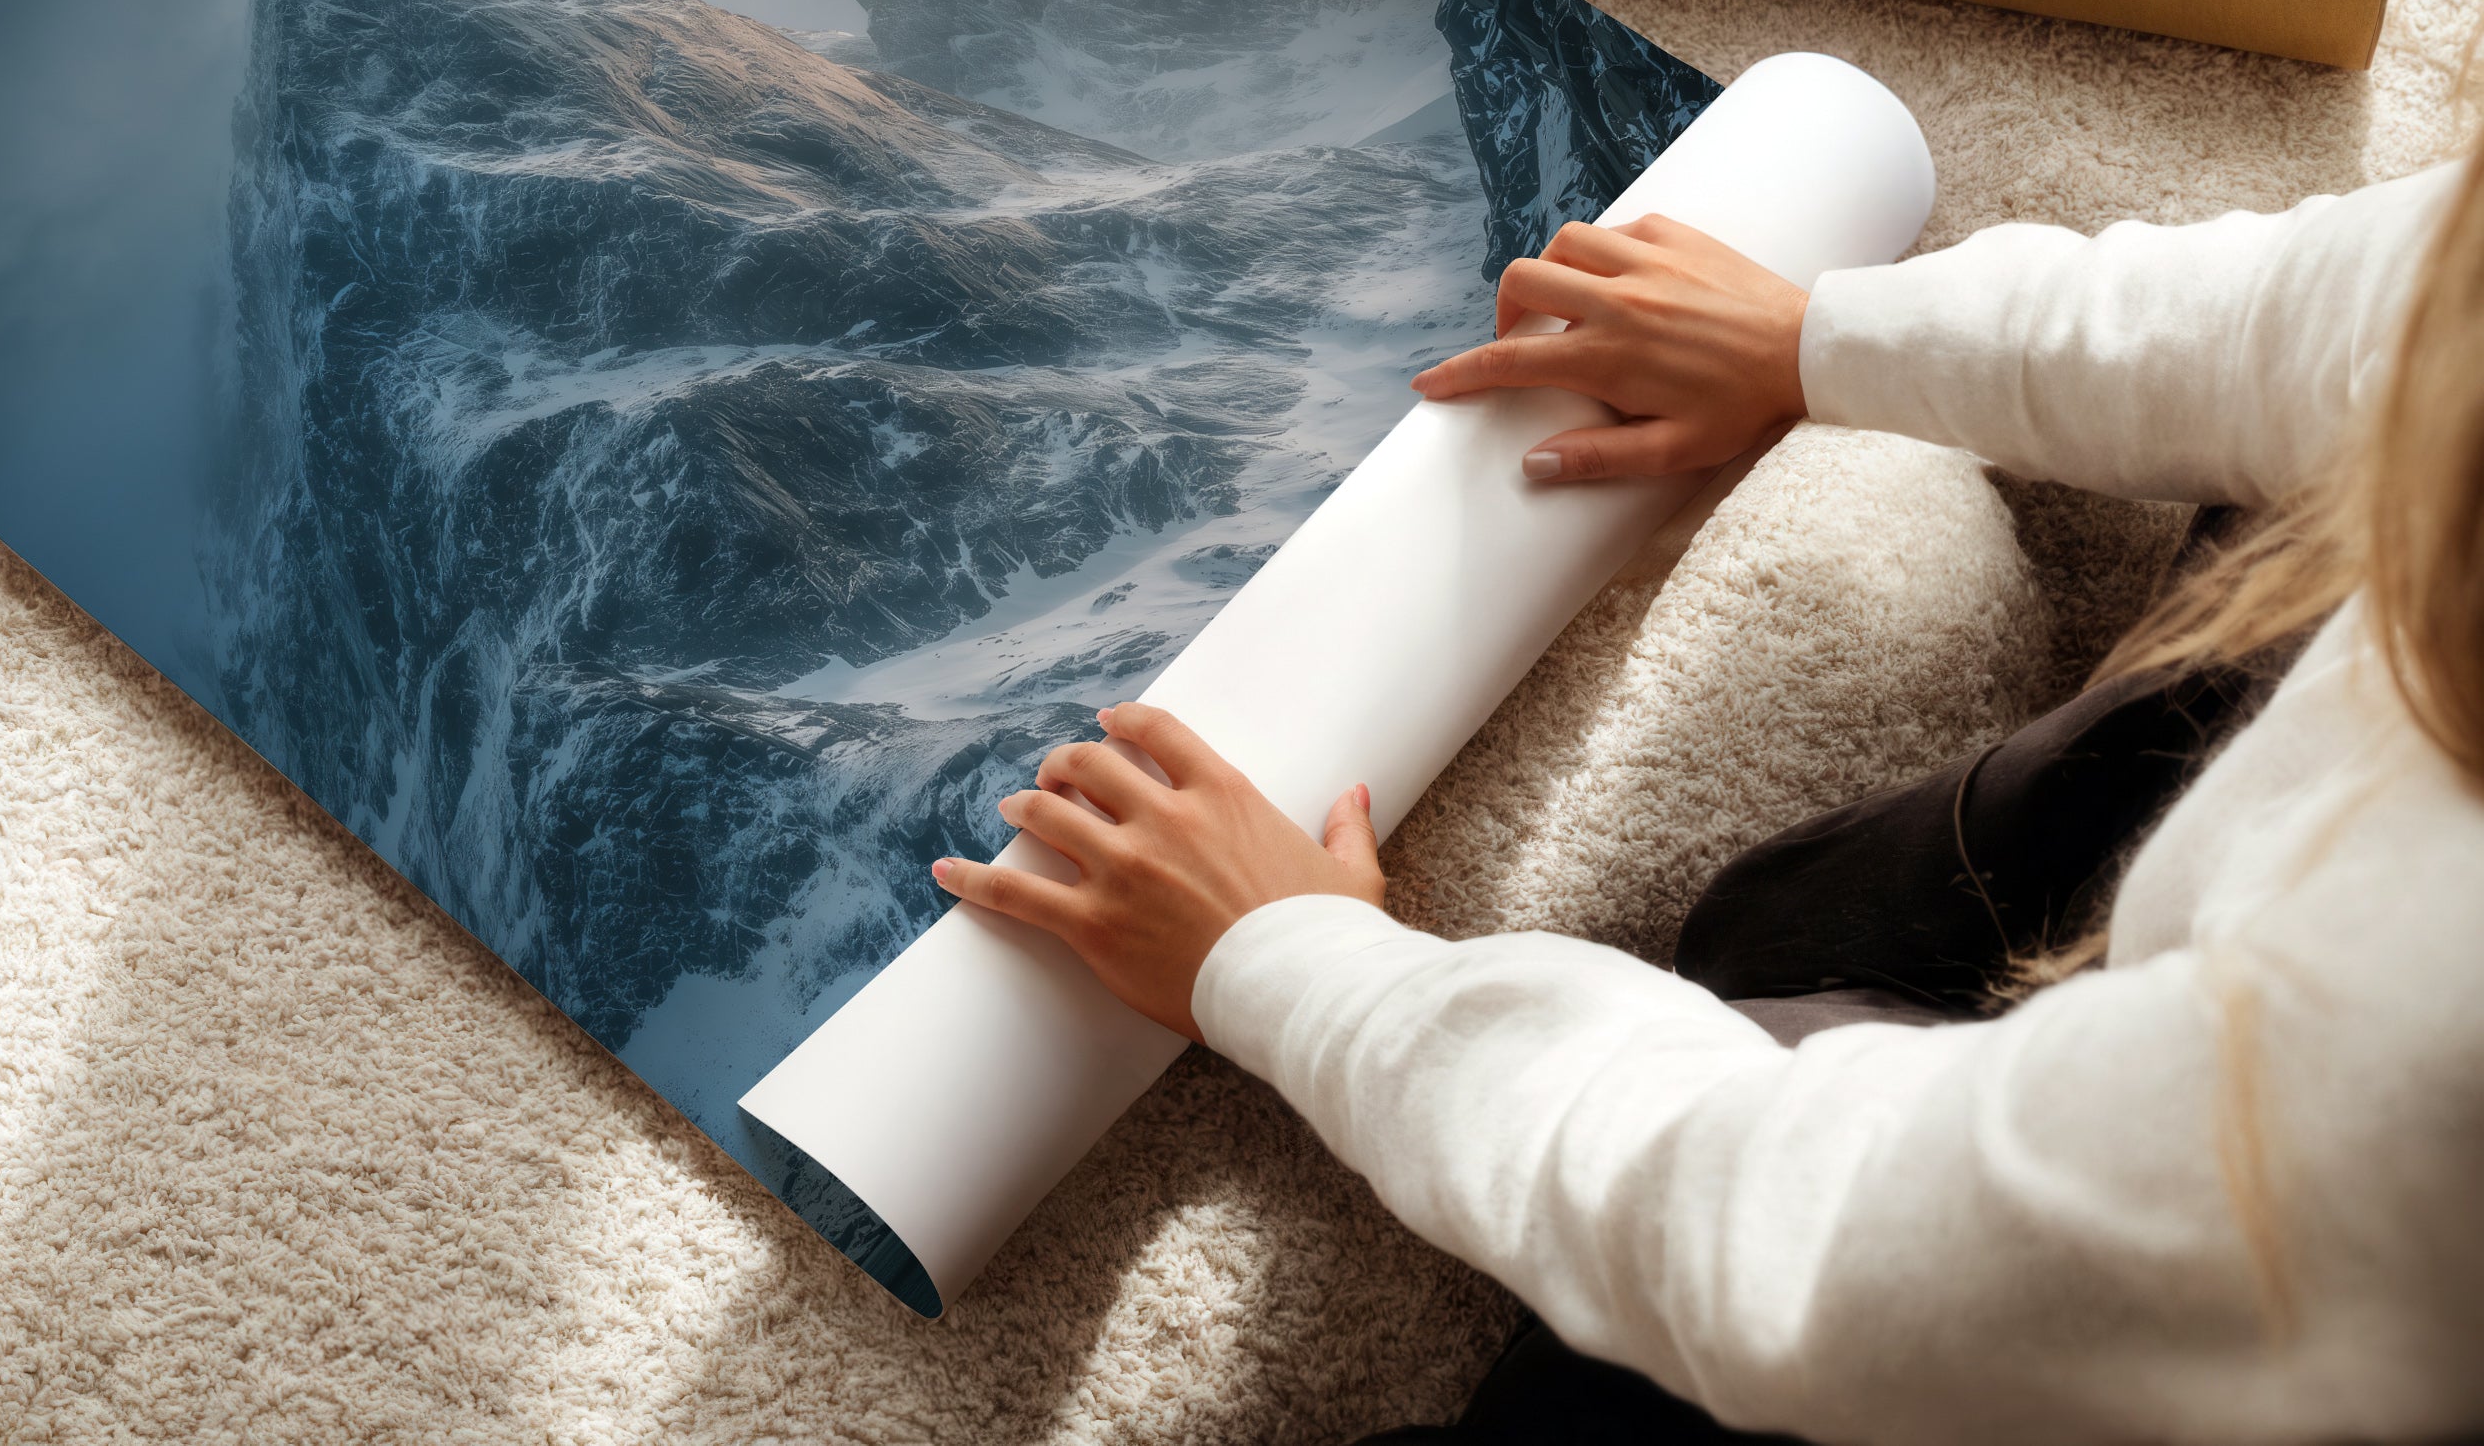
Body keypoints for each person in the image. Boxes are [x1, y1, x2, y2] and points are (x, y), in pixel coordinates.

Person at [931, 157, 2484, 1443]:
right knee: (1779, 923)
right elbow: (2363, 305)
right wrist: (1818, 338)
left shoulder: (2415, 1054)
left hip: (2290, 1297)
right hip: (2288, 1005)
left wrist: (1298, 968)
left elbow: (1811, 1244)